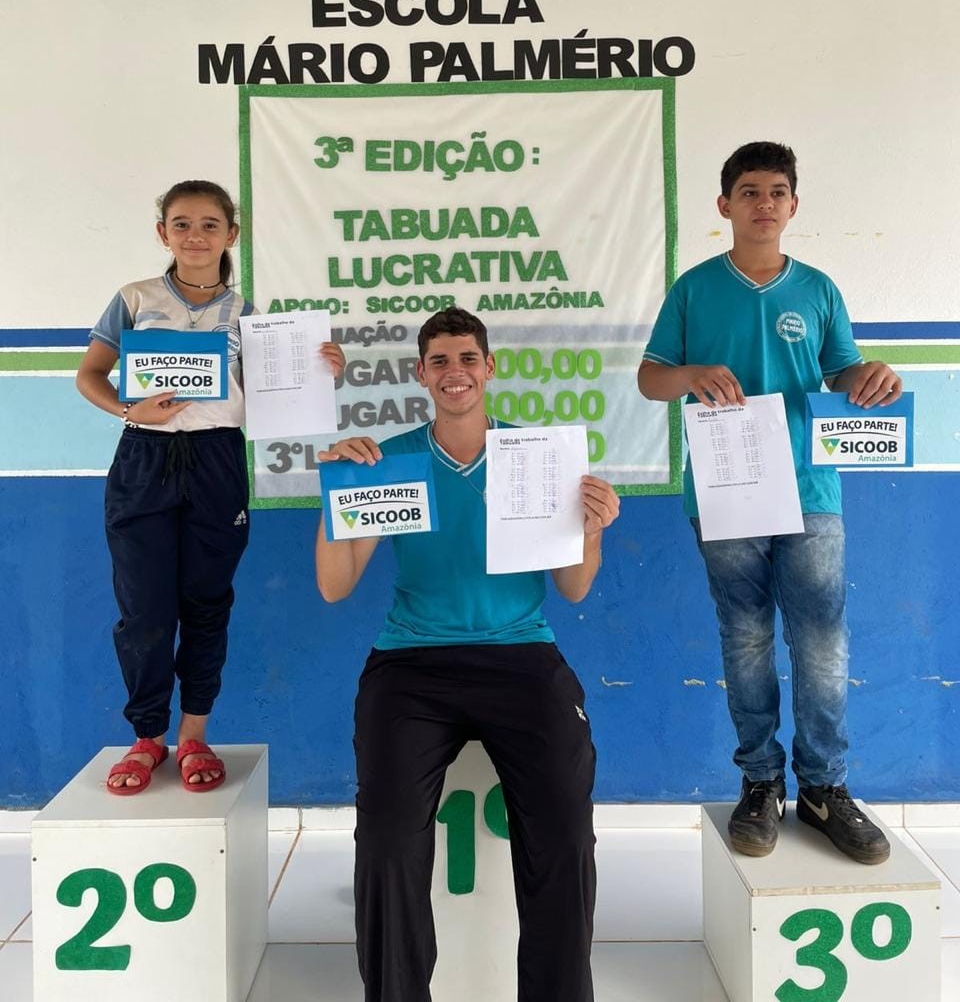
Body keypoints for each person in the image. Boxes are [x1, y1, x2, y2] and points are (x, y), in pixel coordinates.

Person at [315, 306, 620, 1002]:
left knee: (565, 829)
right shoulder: (387, 460)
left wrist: (593, 529)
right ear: (421, 375)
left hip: (521, 656)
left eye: (467, 359)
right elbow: (335, 585)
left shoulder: (537, 458)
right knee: (387, 837)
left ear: (490, 368)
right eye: (440, 362)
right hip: (411, 663)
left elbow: (573, 587)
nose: (455, 373)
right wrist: (334, 497)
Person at [637, 142, 901, 865]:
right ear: (725, 205)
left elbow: (843, 372)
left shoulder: (818, 289)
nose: (764, 203)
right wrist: (690, 374)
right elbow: (650, 379)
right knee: (747, 636)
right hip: (725, 487)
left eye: (777, 191)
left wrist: (870, 376)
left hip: (810, 486)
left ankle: (824, 787)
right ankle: (760, 782)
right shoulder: (693, 289)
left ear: (793, 205)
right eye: (749, 191)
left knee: (823, 639)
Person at [76, 179, 343, 795]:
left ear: (231, 235)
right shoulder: (135, 297)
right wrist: (129, 409)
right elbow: (90, 374)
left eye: (209, 225)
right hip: (143, 458)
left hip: (218, 458)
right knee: (143, 611)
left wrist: (319, 369)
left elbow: (275, 396)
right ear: (162, 233)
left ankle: (194, 734)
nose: (195, 235)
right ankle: (148, 737)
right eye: (181, 223)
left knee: (206, 603)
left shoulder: (250, 314)